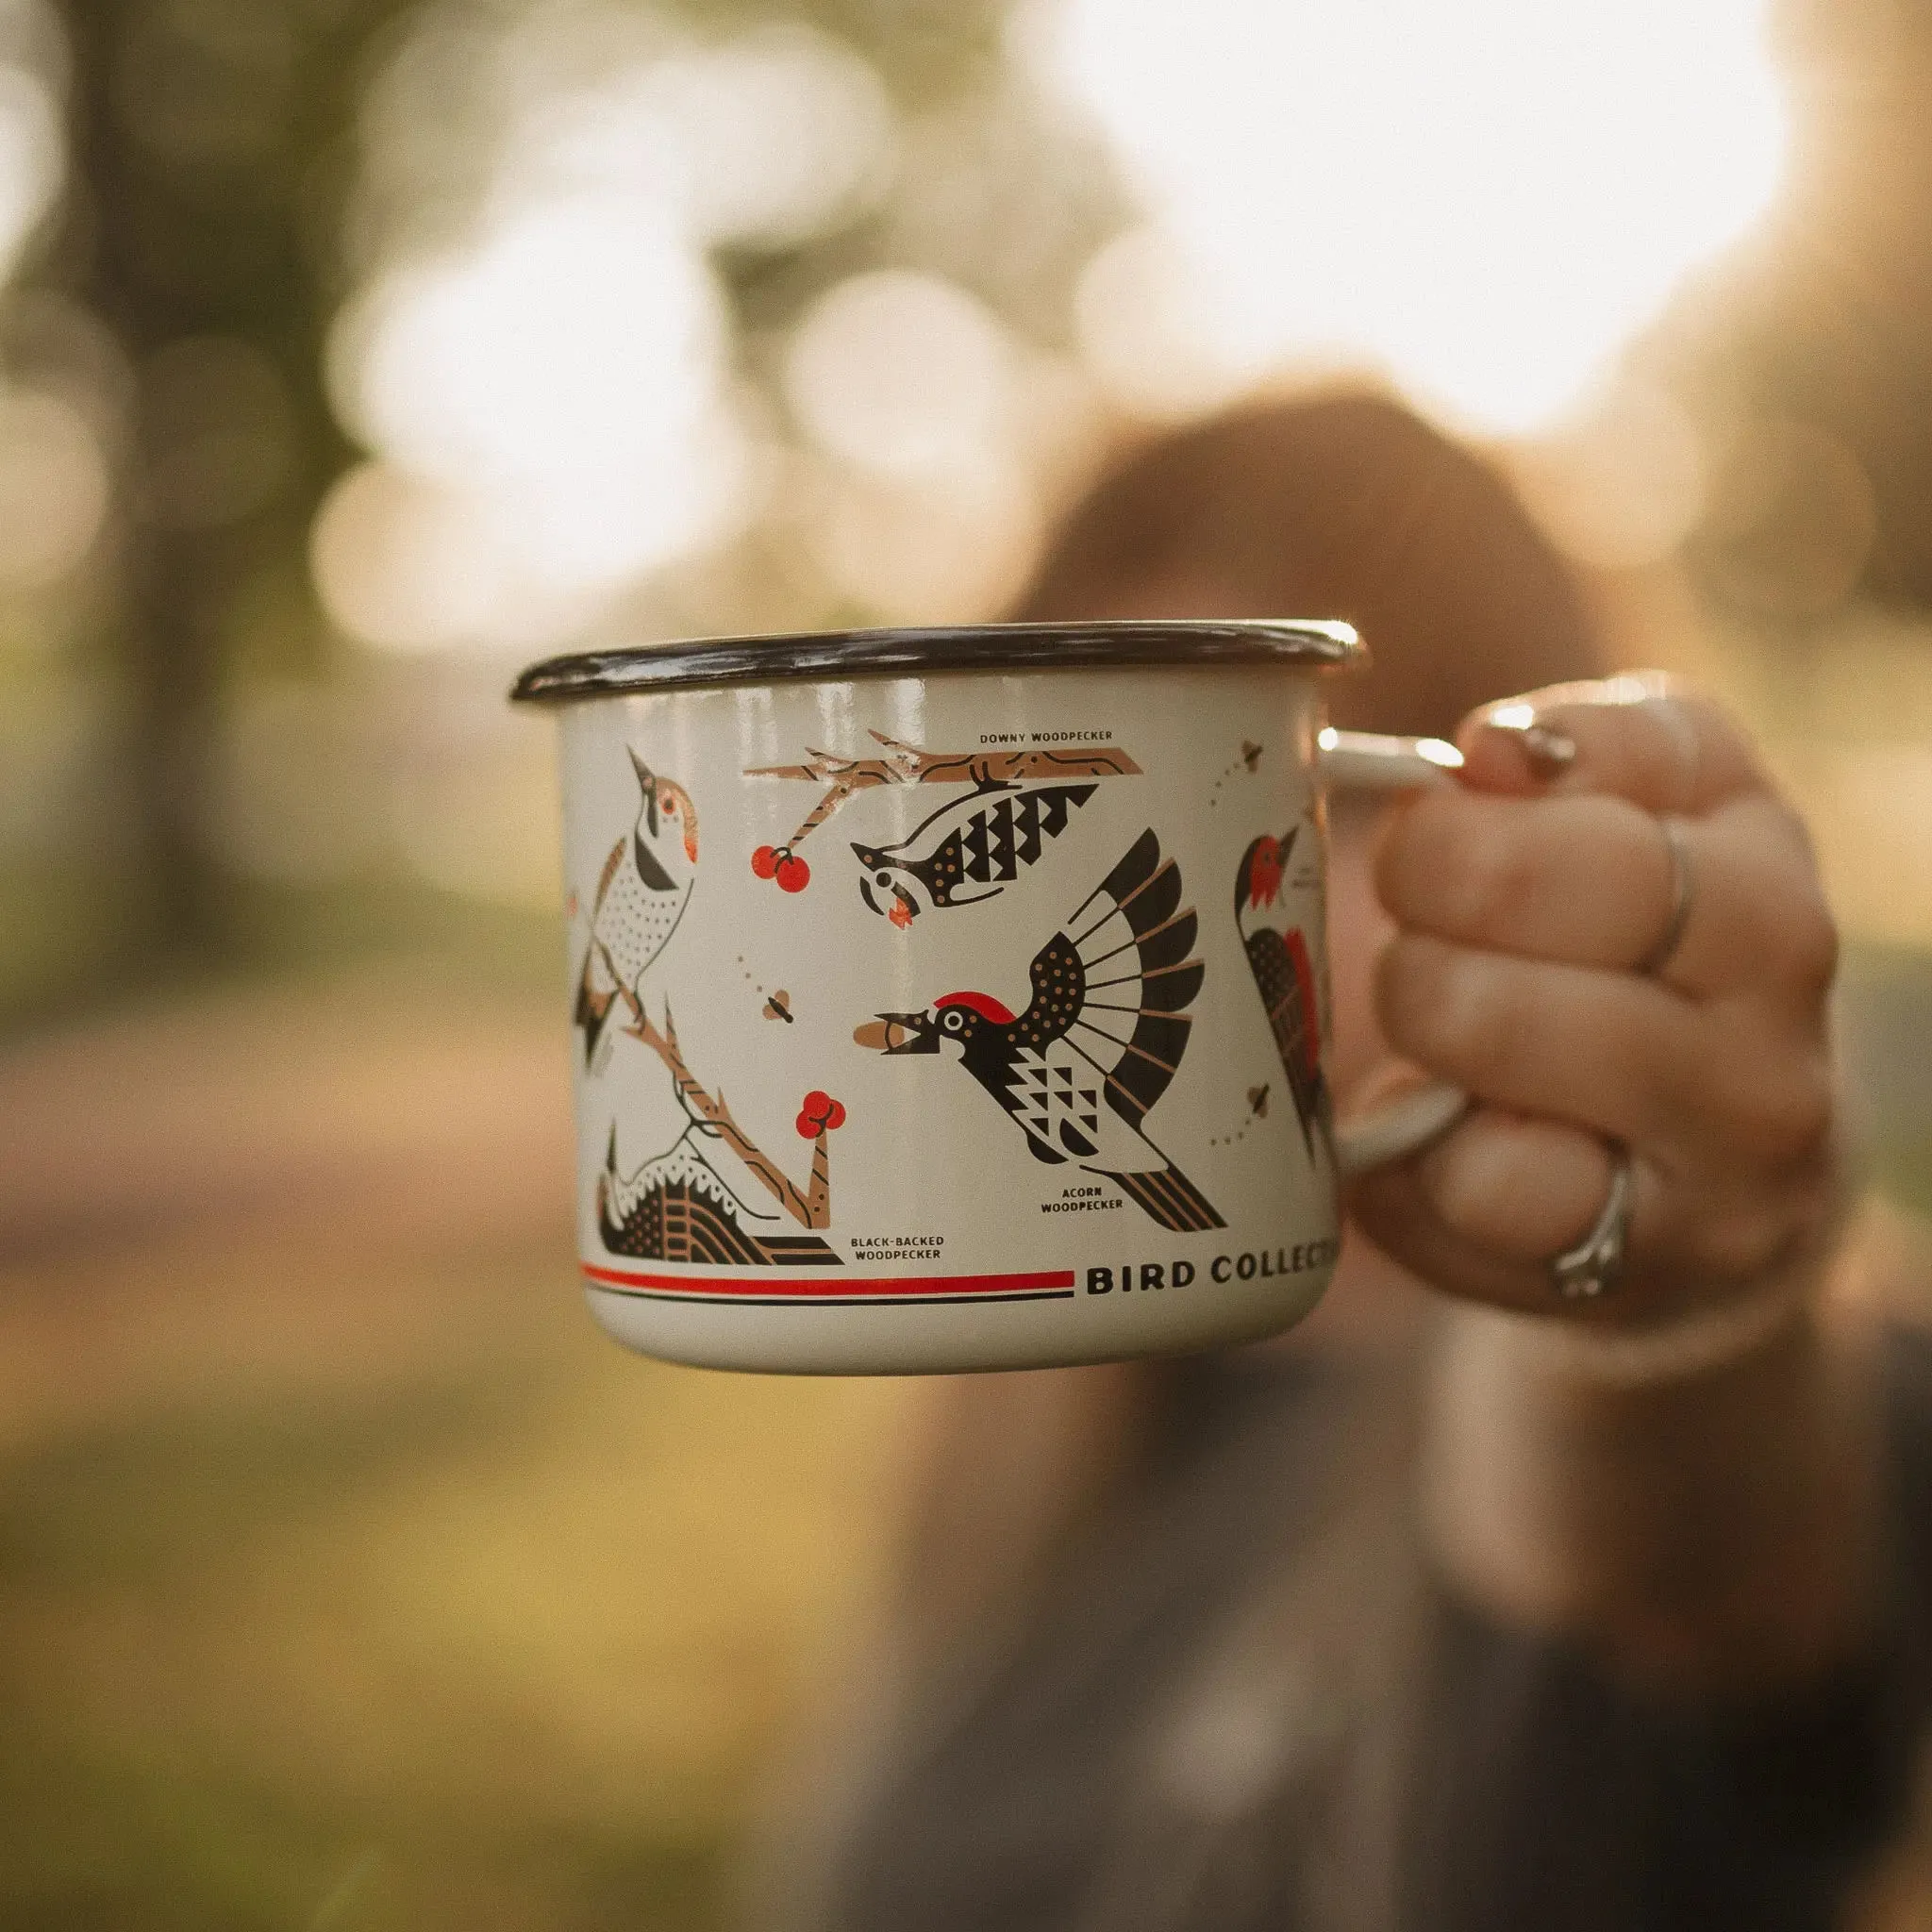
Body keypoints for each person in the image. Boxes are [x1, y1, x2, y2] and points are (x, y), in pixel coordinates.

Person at [744, 392, 1927, 1932]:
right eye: (1075, 812)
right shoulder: (1040, 1416)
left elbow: (1702, 1546)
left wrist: (1663, 1319)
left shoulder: (1807, 1415)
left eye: (1315, 799)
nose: (1275, 898)